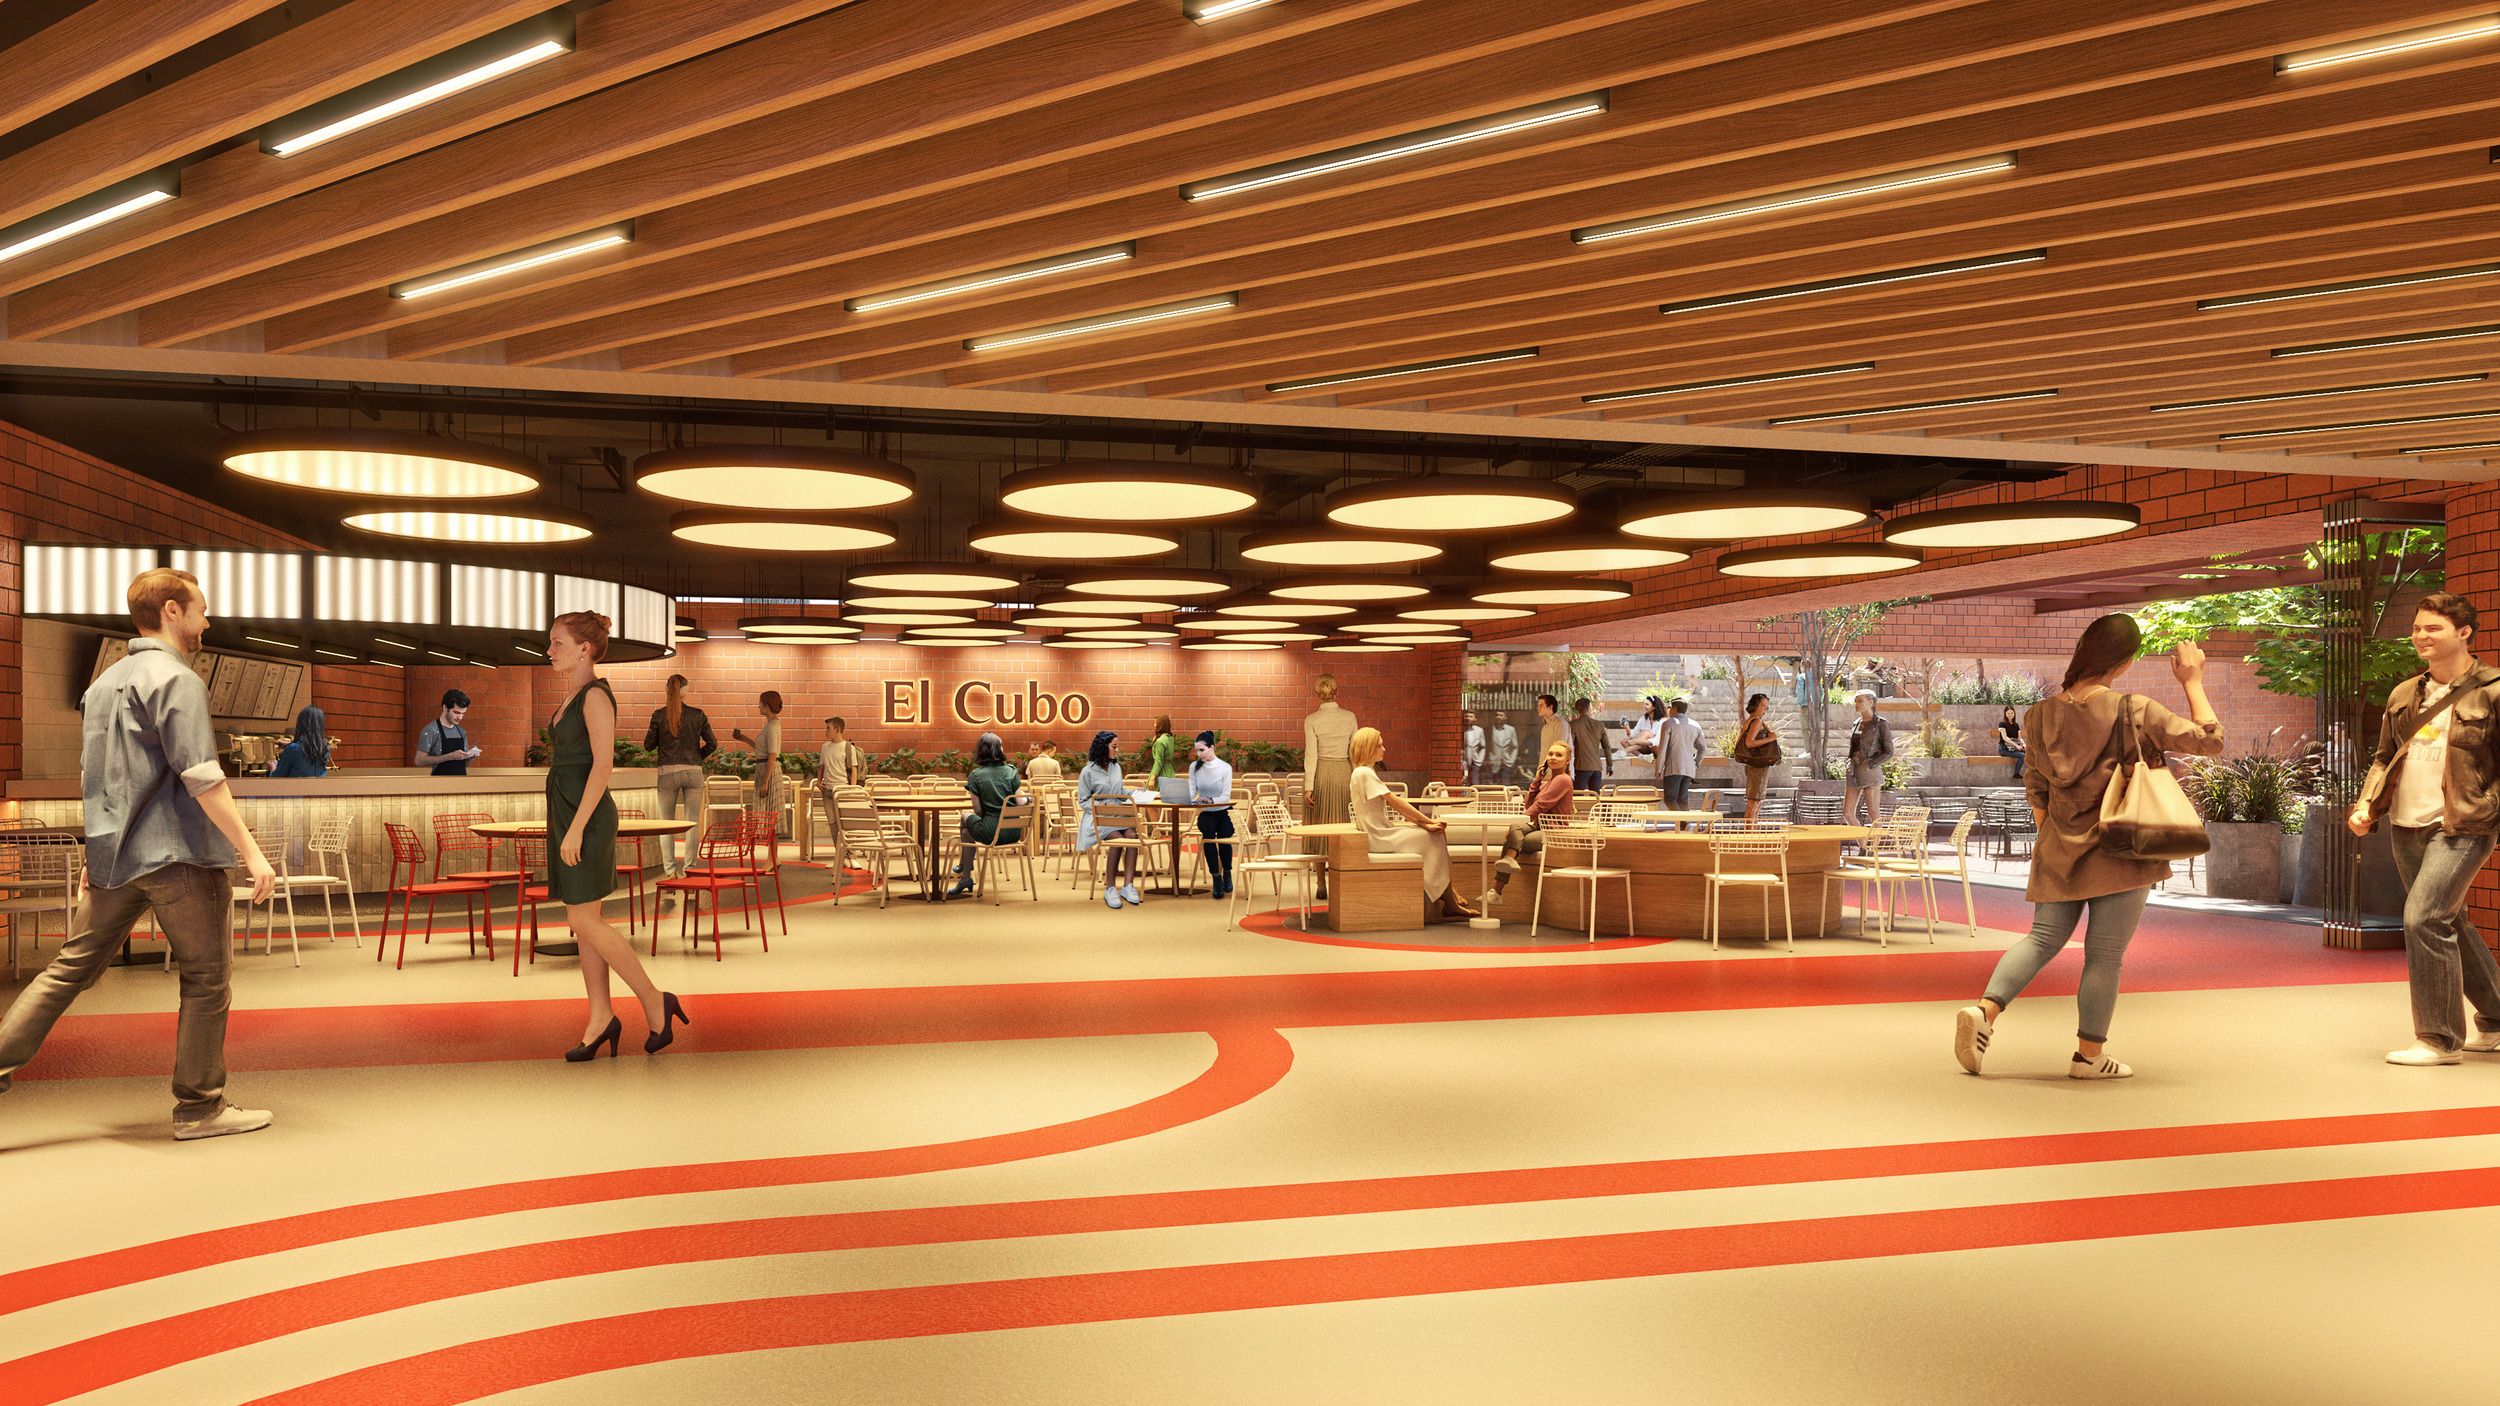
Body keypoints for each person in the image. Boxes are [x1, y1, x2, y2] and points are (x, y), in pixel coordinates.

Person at [0, 566, 278, 1140]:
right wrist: (251, 853)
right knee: (206, 979)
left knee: (67, 970)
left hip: (115, 859)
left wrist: (97, 852)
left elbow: (97, 778)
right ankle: (199, 1108)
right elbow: (202, 776)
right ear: (172, 611)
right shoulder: (178, 680)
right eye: (201, 610)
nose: (207, 623)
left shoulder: (103, 685)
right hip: (180, 858)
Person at [1955, 616, 2222, 1082]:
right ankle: (2088, 1057)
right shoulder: (2134, 709)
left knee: (2041, 940)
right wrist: (2193, 681)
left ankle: (1984, 1011)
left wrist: (2057, 838)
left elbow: (2036, 787)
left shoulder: (2039, 715)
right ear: (2125, 661)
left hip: (2060, 845)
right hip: (2124, 848)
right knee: (2104, 955)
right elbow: (2210, 741)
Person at [2349, 592, 2500, 1067]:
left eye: (2433, 628)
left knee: (2423, 919)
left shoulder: (2492, 690)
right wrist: (2367, 803)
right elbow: (2383, 757)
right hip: (2405, 823)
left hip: (2461, 824)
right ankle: (2497, 1018)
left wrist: (2489, 807)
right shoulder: (2403, 694)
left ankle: (2438, 1038)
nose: (2420, 636)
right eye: (2417, 628)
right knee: (2448, 920)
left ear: (2464, 633)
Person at [546, 611, 686, 1061]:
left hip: (585, 817)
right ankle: (601, 1017)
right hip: (568, 811)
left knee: (583, 920)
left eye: (558, 643)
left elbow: (603, 766)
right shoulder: (573, 695)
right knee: (584, 920)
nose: (550, 650)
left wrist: (576, 829)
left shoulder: (595, 696)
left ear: (584, 649)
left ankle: (653, 998)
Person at [1348, 726, 1476, 922]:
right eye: (1380, 745)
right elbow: (1395, 802)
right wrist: (1428, 821)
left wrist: (1423, 823)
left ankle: (1448, 893)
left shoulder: (1361, 772)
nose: (1384, 749)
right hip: (1379, 836)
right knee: (1436, 835)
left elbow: (1395, 805)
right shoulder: (1365, 772)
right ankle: (1448, 898)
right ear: (1369, 748)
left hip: (1380, 832)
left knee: (1432, 833)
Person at [643, 675, 716, 878]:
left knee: (666, 824)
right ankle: (690, 869)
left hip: (667, 773)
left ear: (667, 690)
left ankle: (670, 871)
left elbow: (648, 745)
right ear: (685, 691)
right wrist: (696, 757)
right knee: (692, 823)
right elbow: (713, 744)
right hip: (693, 772)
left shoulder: (659, 715)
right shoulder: (698, 715)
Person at [944, 733, 1024, 899]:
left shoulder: (976, 775)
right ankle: (965, 878)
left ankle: (964, 866)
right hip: (1014, 832)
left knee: (965, 816)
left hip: (991, 833)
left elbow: (978, 811)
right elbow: (1021, 802)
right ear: (999, 750)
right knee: (967, 833)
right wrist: (1029, 798)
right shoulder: (1011, 772)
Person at [1492, 741, 1577, 896]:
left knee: (1517, 839)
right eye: (1550, 754)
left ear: (1567, 760)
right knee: (1515, 829)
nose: (1553, 757)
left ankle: (1497, 889)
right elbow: (1529, 804)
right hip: (1540, 826)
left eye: (1558, 755)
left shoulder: (1563, 780)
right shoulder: (1548, 782)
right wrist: (1537, 780)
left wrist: (1520, 821)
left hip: (1554, 831)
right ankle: (1504, 872)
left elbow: (1541, 806)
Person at [1077, 729, 1142, 910]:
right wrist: (1100, 805)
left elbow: (1119, 792)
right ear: (1103, 747)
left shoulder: (1116, 768)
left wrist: (1135, 793)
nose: (1117, 750)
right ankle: (1110, 888)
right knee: (1117, 839)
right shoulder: (1087, 772)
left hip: (1118, 815)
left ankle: (1128, 886)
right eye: (1114, 746)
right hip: (1099, 819)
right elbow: (1083, 801)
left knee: (1132, 837)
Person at [1304, 674, 1357, 823]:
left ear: (1317, 694)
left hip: (1321, 775)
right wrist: (1358, 781)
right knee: (1344, 820)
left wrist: (1309, 787)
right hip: (1344, 774)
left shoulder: (1311, 720)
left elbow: (1311, 756)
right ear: (1336, 692)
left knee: (1320, 823)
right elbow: (1354, 752)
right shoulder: (1350, 717)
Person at [1189, 730, 1237, 899]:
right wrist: (1196, 800)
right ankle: (1216, 877)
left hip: (1223, 811)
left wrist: (1210, 800)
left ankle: (1227, 873)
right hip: (1206, 813)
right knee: (1208, 835)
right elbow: (1191, 792)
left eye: (1202, 750)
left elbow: (1226, 796)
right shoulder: (1194, 767)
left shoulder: (1225, 768)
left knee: (1224, 836)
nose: (1199, 754)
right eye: (1197, 750)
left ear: (1212, 748)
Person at [732, 691, 785, 825]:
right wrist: (744, 738)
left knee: (769, 813)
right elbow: (762, 749)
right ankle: (768, 838)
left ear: (767, 706)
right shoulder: (770, 725)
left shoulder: (772, 727)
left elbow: (772, 754)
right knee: (766, 813)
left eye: (760, 703)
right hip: (764, 768)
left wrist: (765, 782)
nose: (758, 706)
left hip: (768, 771)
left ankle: (770, 839)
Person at [1842, 690, 1892, 829]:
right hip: (1853, 770)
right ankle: (1863, 842)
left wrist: (1870, 764)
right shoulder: (1856, 723)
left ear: (1871, 702)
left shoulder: (1881, 724)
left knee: (1873, 812)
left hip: (1870, 770)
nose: (1856, 704)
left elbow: (1889, 751)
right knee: (1847, 813)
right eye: (1856, 701)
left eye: (1860, 701)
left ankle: (1876, 843)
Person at [416, 689, 481, 775]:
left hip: (461, 781)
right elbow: (419, 761)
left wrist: (470, 757)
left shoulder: (462, 732)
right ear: (445, 708)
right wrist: (450, 756)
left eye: (463, 713)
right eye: (456, 712)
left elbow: (463, 765)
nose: (460, 717)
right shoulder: (431, 730)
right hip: (440, 781)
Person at [1735, 693, 1777, 822]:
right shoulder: (1757, 721)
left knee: (1754, 802)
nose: (1765, 710)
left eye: (1766, 707)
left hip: (1754, 765)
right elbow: (1749, 743)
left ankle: (1752, 829)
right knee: (1754, 802)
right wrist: (1770, 739)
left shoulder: (1751, 720)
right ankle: (1750, 830)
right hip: (1758, 766)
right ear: (1755, 705)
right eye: (1763, 706)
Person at [1658, 697, 1704, 809]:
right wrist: (1696, 763)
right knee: (1682, 800)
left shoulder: (1668, 724)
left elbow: (1662, 749)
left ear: (1675, 708)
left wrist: (1658, 769)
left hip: (1673, 768)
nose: (1669, 710)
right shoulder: (1695, 725)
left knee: (1670, 799)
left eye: (1670, 707)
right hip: (1689, 769)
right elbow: (1703, 749)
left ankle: (1683, 820)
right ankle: (1686, 821)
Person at [269, 705, 328, 778]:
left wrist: (272, 767)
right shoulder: (325, 749)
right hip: (319, 785)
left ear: (301, 724)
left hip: (295, 785)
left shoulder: (293, 749)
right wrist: (290, 745)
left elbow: (277, 777)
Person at [1568, 698, 1609, 792]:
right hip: (1596, 768)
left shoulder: (1573, 725)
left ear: (1577, 710)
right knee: (1595, 795)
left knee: (1578, 795)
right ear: (1588, 709)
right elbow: (1606, 746)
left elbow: (1569, 746)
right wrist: (1609, 764)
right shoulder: (1599, 725)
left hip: (1581, 767)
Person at [1625, 697, 1664, 771]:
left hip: (1657, 749)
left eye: (1647, 704)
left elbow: (1657, 741)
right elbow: (1632, 735)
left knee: (1645, 733)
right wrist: (1627, 727)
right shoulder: (1643, 719)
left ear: (1654, 707)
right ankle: (1644, 757)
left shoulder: (1663, 720)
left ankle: (1623, 752)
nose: (1644, 706)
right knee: (1624, 742)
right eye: (1644, 704)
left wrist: (1636, 741)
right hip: (1646, 749)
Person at [1536, 693, 1569, 780]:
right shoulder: (1545, 727)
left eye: (1541, 705)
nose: (1538, 708)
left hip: (1557, 774)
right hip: (1546, 773)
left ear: (1550, 707)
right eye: (1538, 705)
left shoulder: (1560, 724)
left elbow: (1559, 751)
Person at [1147, 715, 1182, 788]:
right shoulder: (1170, 739)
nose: (1154, 725)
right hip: (1170, 773)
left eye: (1155, 723)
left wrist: (1152, 779)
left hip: (1161, 775)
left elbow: (1158, 762)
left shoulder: (1160, 741)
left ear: (1160, 726)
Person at [1488, 711, 1520, 786]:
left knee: (1506, 785)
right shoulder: (1489, 729)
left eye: (1501, 715)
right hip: (1493, 763)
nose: (1498, 717)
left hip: (1507, 762)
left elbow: (1515, 747)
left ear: (1505, 717)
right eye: (1497, 715)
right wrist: (1489, 759)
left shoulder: (1511, 729)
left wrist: (1511, 760)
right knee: (1494, 787)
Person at [1996, 704, 2027, 781]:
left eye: (2012, 713)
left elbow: (2019, 738)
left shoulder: (2016, 725)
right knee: (2022, 756)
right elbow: (2005, 738)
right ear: (2005, 714)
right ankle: (2016, 773)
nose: (2010, 715)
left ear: (2014, 713)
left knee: (2029, 753)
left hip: (2013, 748)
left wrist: (2024, 744)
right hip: (2004, 749)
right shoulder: (2002, 724)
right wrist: (2017, 746)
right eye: (2008, 713)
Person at [1462, 710, 1487, 786]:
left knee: (1475, 784)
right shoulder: (1460, 729)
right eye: (1466, 716)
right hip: (1463, 762)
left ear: (1475, 719)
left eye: (1471, 716)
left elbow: (1483, 747)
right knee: (1464, 784)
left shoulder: (1479, 730)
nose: (1468, 718)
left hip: (1475, 762)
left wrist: (1480, 760)